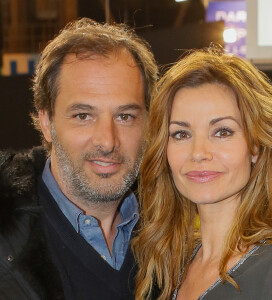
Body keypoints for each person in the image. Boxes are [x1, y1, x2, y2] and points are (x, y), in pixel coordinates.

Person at [0, 18, 157, 299]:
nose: (107, 141)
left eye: (125, 116)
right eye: (83, 116)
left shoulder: (176, 239)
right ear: (46, 122)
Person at [133, 49, 272, 300]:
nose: (198, 153)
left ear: (255, 145)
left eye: (222, 132)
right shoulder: (165, 267)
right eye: (181, 134)